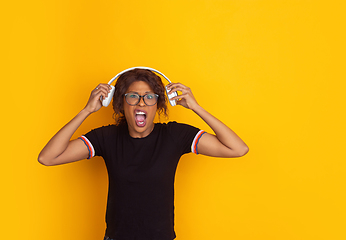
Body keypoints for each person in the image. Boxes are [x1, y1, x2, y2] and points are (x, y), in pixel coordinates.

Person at [38, 68, 249, 240]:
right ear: (121, 103)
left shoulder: (174, 135)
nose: (141, 103)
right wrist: (86, 111)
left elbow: (237, 149)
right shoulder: (107, 138)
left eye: (149, 97)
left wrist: (196, 107)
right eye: (133, 97)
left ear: (158, 104)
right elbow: (48, 157)